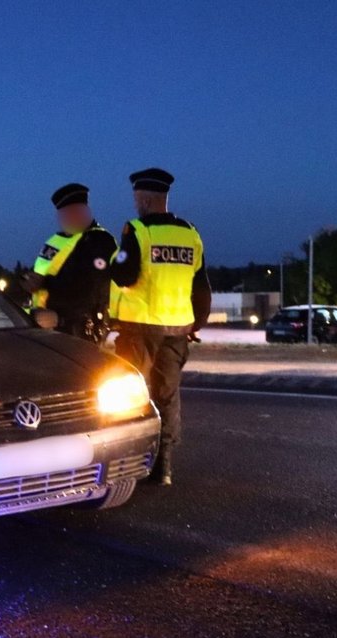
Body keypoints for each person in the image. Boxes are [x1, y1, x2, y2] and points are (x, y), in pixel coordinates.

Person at [108, 168, 211, 486]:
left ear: (145, 198)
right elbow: (201, 285)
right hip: (178, 332)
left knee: (131, 396)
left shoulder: (137, 231)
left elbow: (124, 276)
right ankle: (163, 467)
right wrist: (198, 322)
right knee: (167, 397)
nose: (135, 203)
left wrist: (113, 263)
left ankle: (130, 463)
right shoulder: (190, 233)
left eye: (137, 198)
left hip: (140, 332)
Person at [20, 183, 118, 343]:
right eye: (61, 215)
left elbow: (93, 289)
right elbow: (40, 272)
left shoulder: (99, 241)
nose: (63, 220)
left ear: (83, 212)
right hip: (46, 326)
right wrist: (28, 281)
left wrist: (60, 317)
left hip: (77, 330)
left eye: (69, 214)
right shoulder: (55, 241)